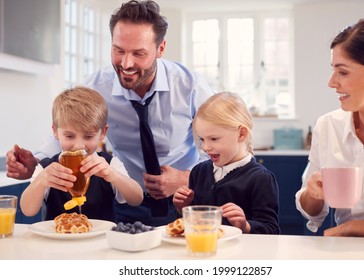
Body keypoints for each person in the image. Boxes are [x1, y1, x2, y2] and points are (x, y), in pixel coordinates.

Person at [6, 0, 213, 226]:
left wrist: (188, 178)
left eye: (139, 53)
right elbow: (68, 131)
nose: (126, 63)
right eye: (118, 50)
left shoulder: (190, 86)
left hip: (185, 200)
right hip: (126, 202)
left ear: (160, 49)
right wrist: (35, 163)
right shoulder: (95, 86)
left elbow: (221, 147)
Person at [295, 18, 364, 238]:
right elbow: (311, 211)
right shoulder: (328, 126)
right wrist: (313, 193)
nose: (331, 82)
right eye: (333, 70)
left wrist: (352, 227)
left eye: (343, 72)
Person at [20, 87, 143, 222]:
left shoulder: (109, 164)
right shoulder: (47, 168)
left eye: (88, 136)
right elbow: (28, 210)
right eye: (70, 136)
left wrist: (112, 175)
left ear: (103, 132)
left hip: (102, 241)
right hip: (58, 241)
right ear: (55, 131)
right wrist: (41, 180)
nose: (78, 145)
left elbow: (136, 199)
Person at [173, 92, 280, 234]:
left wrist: (245, 225)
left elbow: (271, 230)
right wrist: (184, 207)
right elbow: (194, 222)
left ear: (241, 134)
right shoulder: (198, 172)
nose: (205, 147)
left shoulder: (261, 178)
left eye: (214, 139)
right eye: (202, 140)